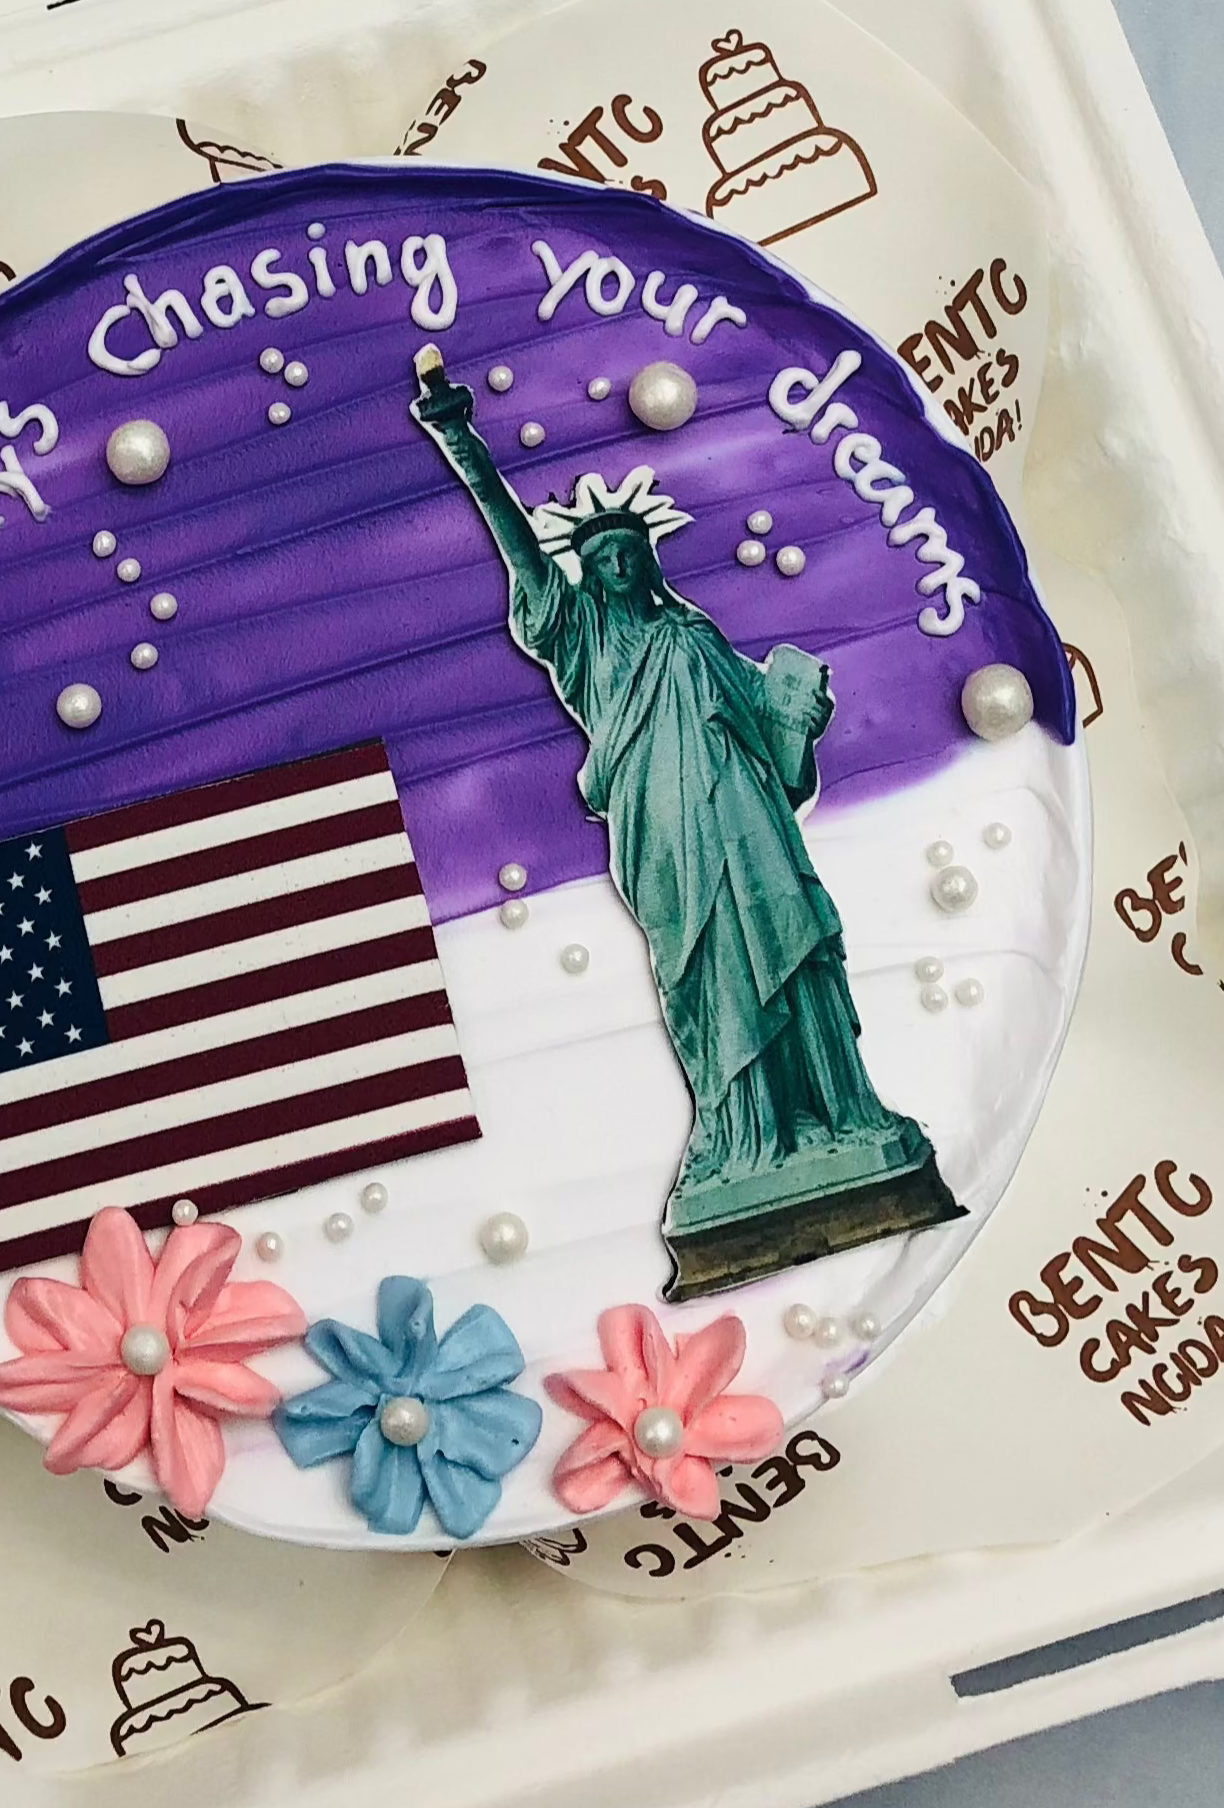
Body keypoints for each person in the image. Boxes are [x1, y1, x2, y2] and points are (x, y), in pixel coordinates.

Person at [409, 347, 959, 1291]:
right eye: (601, 556)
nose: (617, 565)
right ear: (585, 571)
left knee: (790, 944)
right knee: (703, 970)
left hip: (746, 815)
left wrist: (801, 718)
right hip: (661, 827)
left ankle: (837, 1113)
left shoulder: (694, 633)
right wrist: (462, 441)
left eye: (630, 551)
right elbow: (518, 548)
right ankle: (742, 1134)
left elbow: (783, 765)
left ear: (650, 558)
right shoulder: (578, 637)